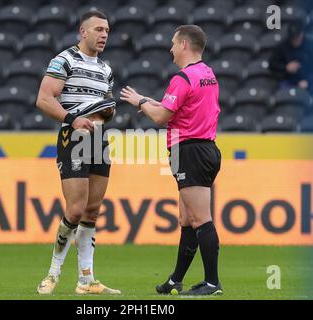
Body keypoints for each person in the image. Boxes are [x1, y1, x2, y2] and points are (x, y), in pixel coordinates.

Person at [120, 25, 222, 296]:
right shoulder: (208, 74)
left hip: (189, 151)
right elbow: (179, 108)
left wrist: (139, 102)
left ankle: (212, 283)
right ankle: (176, 280)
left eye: (174, 44)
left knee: (200, 219)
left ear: (185, 45)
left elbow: (160, 117)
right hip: (204, 148)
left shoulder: (182, 78)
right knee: (186, 218)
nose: (171, 49)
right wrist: (150, 102)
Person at [35, 10, 120, 295]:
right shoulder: (65, 60)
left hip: (99, 140)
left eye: (107, 30)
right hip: (74, 138)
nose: (104, 34)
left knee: (93, 212)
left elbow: (104, 106)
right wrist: (72, 119)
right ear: (83, 32)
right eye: (98, 29)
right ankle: (52, 273)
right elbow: (44, 99)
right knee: (75, 209)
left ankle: (87, 280)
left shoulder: (106, 70)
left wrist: (106, 112)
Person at [269, 19, 313, 95]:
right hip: (289, 81)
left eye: (297, 37)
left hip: (308, 80)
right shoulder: (282, 47)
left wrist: (308, 81)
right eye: (293, 38)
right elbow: (272, 64)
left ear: (301, 34)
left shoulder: (310, 46)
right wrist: (286, 67)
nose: (295, 40)